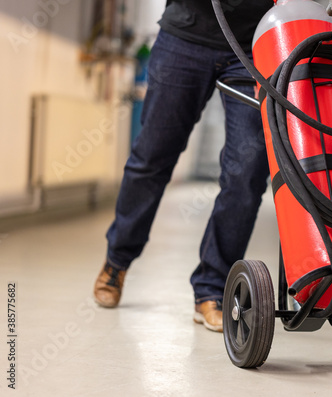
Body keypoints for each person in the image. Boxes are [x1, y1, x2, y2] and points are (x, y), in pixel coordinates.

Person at [93, 0, 274, 332]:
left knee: (248, 171)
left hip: (252, 47)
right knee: (151, 158)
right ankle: (117, 260)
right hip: (185, 38)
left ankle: (212, 289)